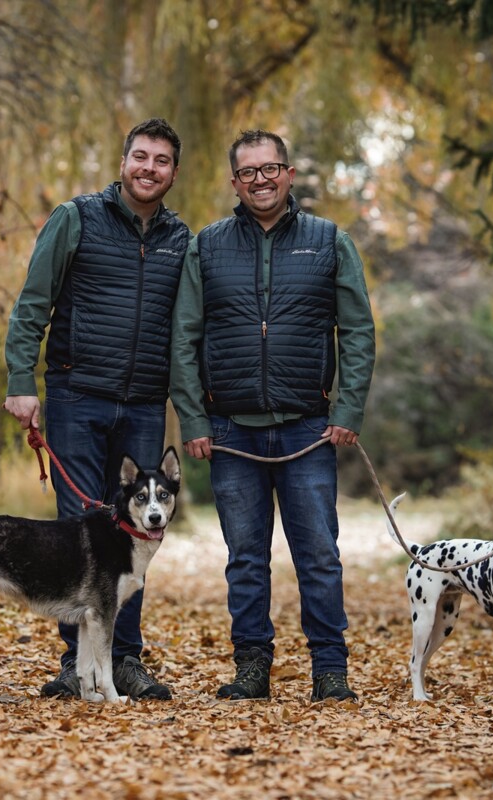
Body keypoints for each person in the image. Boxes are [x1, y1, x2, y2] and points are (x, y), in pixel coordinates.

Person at [170, 129, 375, 702]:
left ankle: (330, 671)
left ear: (288, 174)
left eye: (271, 168)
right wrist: (193, 419)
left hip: (308, 429)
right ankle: (252, 667)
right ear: (235, 182)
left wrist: (348, 408)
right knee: (245, 560)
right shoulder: (207, 245)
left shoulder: (330, 241)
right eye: (249, 172)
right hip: (231, 431)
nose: (261, 179)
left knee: (319, 556)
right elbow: (183, 337)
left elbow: (357, 331)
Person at [3, 118, 189, 700]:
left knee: (135, 532)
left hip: (140, 403)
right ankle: (73, 661)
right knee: (78, 530)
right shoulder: (76, 217)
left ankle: (125, 661)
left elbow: (188, 328)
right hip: (76, 396)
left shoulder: (181, 239)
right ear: (124, 160)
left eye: (161, 160)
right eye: (140, 156)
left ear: (173, 173)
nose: (149, 168)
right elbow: (34, 300)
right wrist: (20, 379)